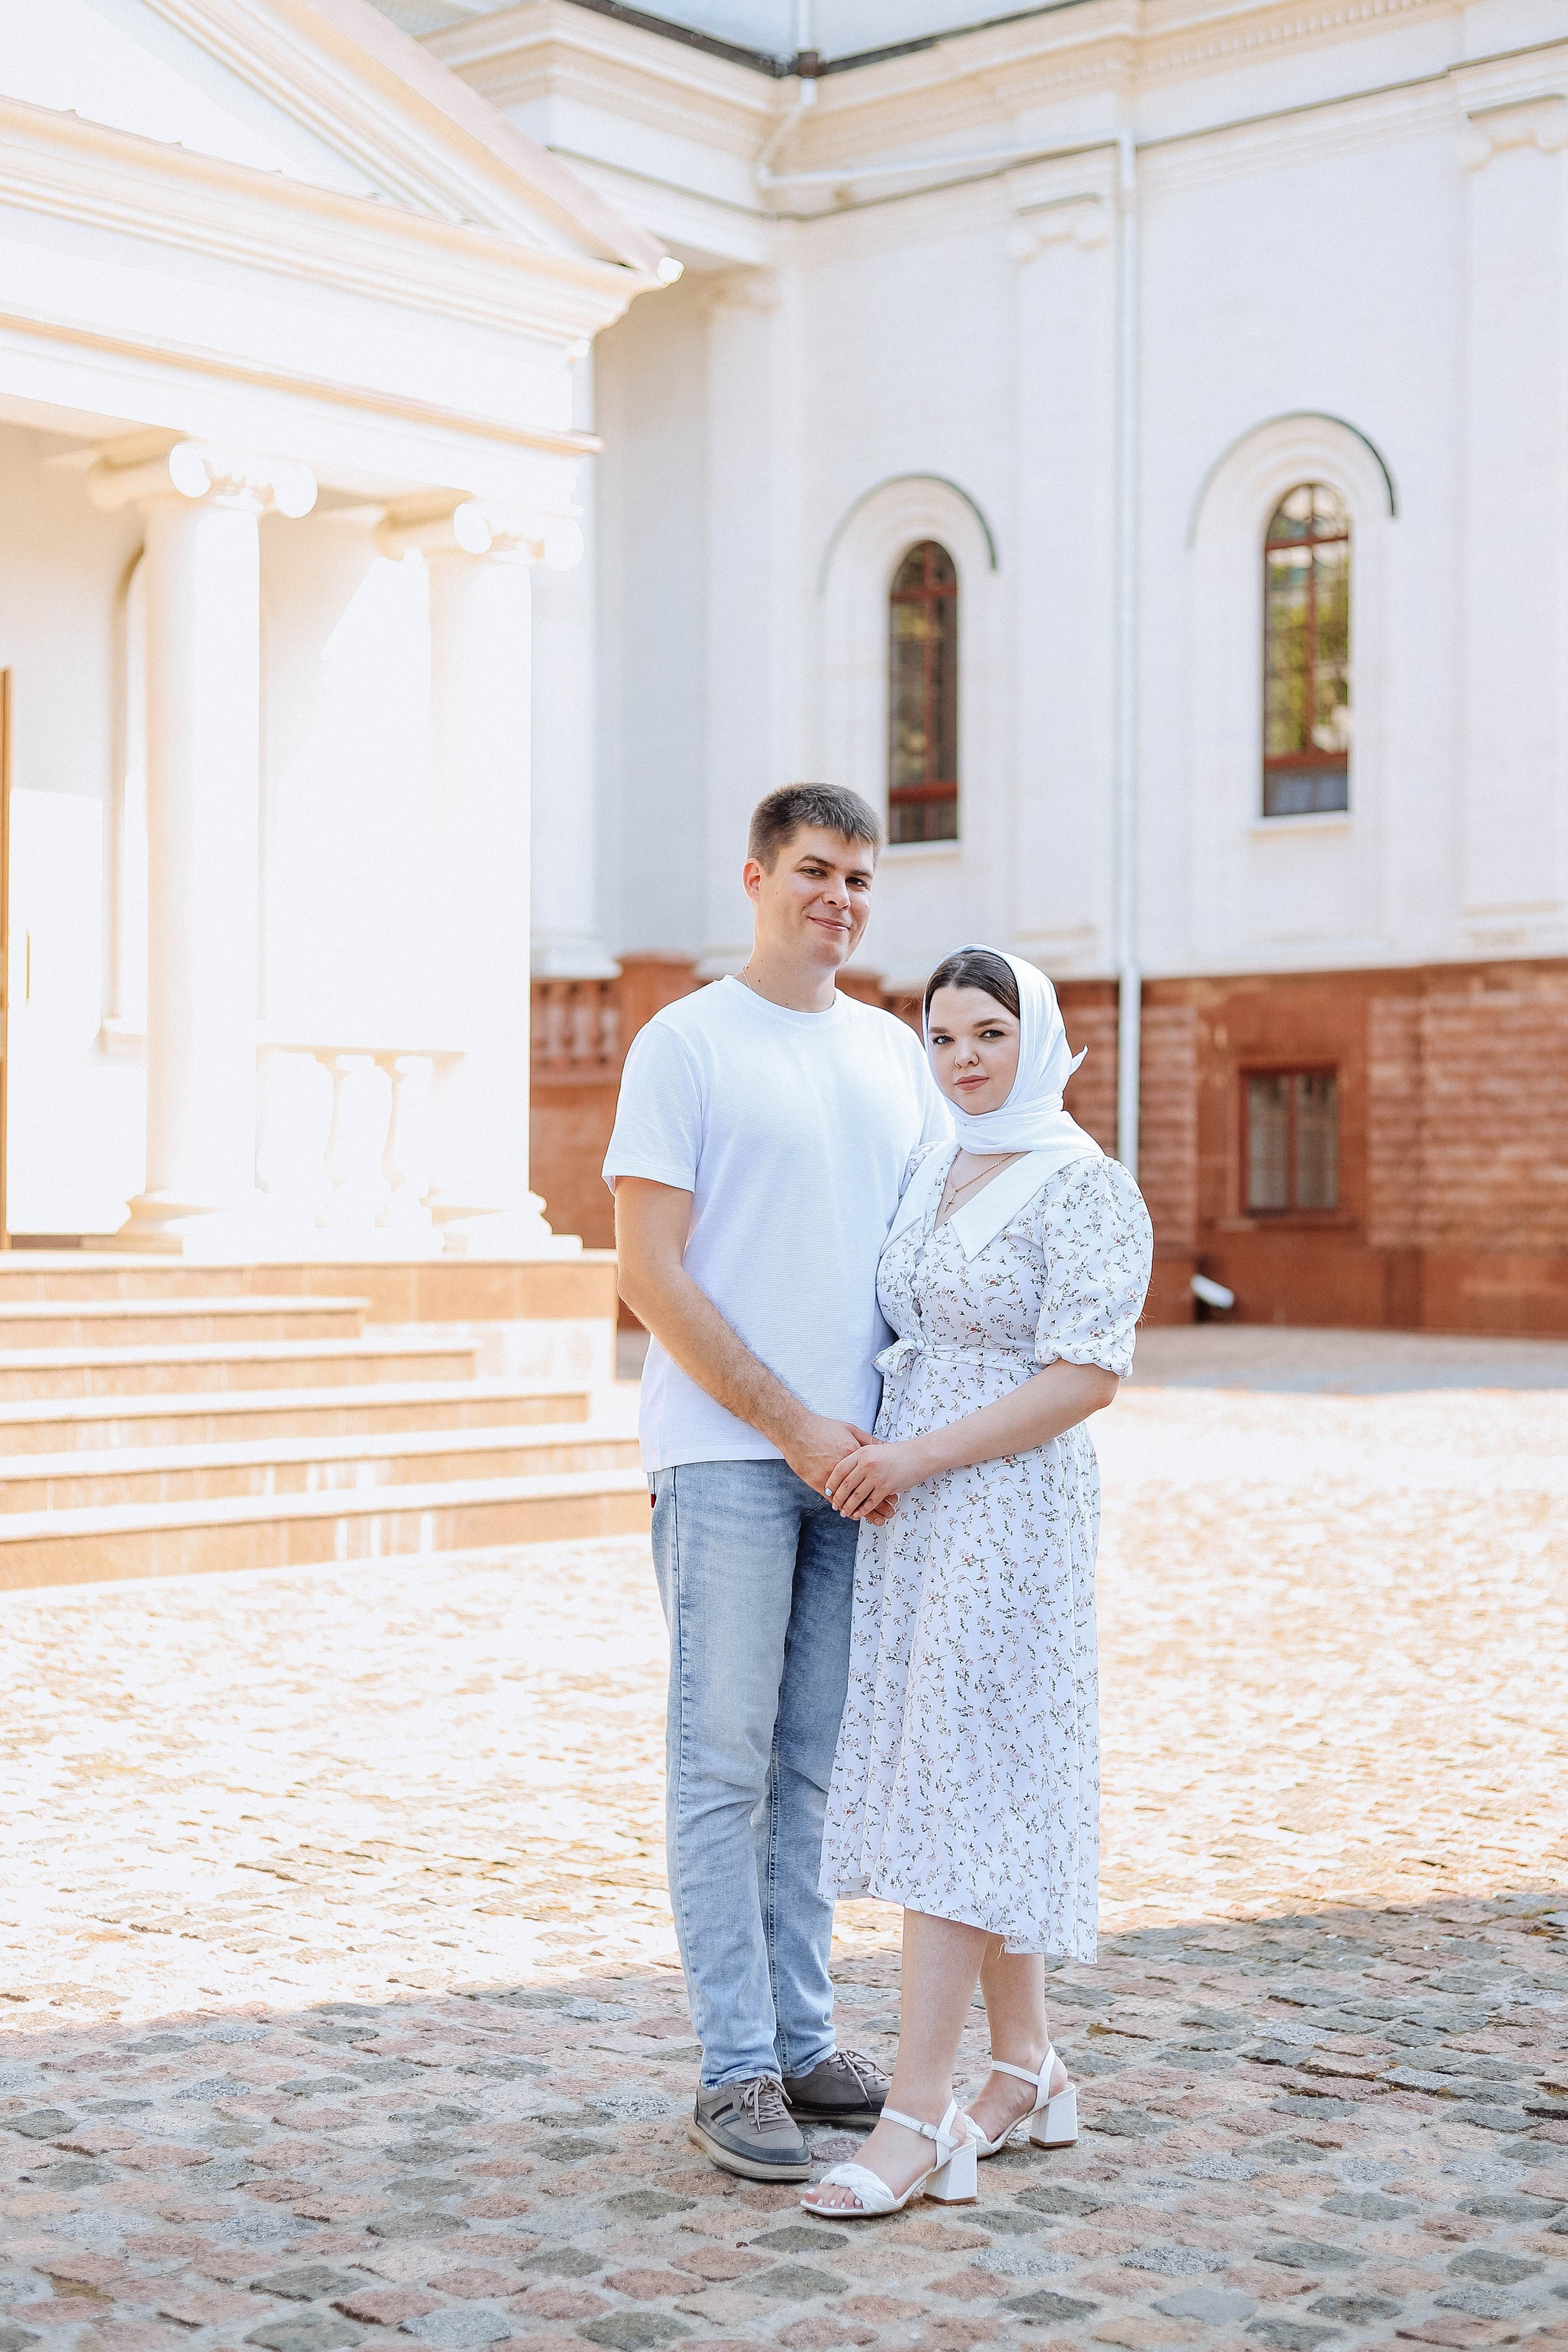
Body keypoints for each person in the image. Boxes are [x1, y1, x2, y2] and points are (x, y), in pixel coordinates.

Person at [604, 783, 951, 2184]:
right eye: (815, 871)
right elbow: (648, 1272)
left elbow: (919, 1263)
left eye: (860, 879)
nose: (840, 899)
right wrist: (791, 1424)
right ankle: (733, 2064)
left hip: (855, 1474)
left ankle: (806, 2042)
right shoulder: (682, 1043)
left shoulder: (890, 1053)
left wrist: (887, 1442)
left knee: (811, 1769)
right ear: (753, 876)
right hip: (728, 1458)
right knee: (720, 1767)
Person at [803, 945, 1153, 2217]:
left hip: (1004, 1507)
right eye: (942, 1037)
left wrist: (924, 1452)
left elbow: (1084, 1376)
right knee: (963, 1774)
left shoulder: (1085, 1188)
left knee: (957, 1783)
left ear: (1038, 1038)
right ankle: (1024, 2067)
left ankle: (914, 2122)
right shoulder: (928, 1167)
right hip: (910, 1507)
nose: (961, 1059)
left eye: (986, 1034)